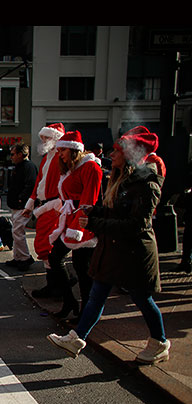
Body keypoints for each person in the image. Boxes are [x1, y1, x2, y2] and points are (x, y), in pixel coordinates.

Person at [48, 128, 170, 364]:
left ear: (131, 154)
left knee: (142, 299)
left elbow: (137, 225)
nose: (111, 155)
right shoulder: (124, 180)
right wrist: (98, 211)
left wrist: (96, 221)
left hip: (134, 253)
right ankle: (77, 338)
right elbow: (118, 212)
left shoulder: (146, 184)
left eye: (117, 151)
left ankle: (160, 342)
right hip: (117, 249)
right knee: (96, 294)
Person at [47, 131, 102, 319]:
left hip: (83, 224)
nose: (59, 154)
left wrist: (77, 228)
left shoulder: (90, 168)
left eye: (62, 150)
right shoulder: (74, 168)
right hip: (73, 220)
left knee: (82, 268)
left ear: (73, 149)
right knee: (69, 262)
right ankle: (72, 302)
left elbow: (88, 201)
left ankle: (84, 309)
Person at [22, 123, 66, 297]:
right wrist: (30, 204)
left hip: (53, 206)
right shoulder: (48, 157)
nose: (43, 141)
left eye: (46, 137)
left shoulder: (60, 158)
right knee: (43, 246)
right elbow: (39, 182)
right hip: (45, 206)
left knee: (47, 247)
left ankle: (57, 286)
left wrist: (60, 205)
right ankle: (55, 285)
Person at [5, 144, 38, 271]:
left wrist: (21, 198)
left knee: (18, 232)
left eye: (13, 154)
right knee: (16, 232)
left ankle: (24, 258)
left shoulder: (28, 167)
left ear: (20, 154)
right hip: (18, 204)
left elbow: (31, 185)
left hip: (22, 205)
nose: (11, 157)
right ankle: (18, 257)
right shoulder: (21, 166)